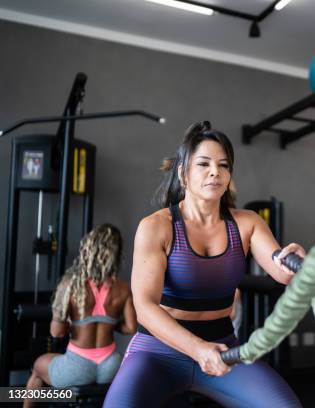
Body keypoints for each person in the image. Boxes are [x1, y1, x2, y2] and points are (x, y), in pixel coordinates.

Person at [103, 121, 303, 407]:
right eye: (204, 164)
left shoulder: (247, 223)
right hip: (158, 352)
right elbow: (144, 308)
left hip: (223, 349)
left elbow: (282, 273)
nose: (215, 172)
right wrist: (198, 349)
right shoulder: (157, 226)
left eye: (224, 165)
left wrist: (298, 261)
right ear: (183, 173)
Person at [25, 224, 137, 407]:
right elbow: (131, 327)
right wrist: (108, 323)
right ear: (116, 255)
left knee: (38, 366)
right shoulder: (123, 288)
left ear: (88, 249)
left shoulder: (70, 285)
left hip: (78, 366)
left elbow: (56, 332)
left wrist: (75, 324)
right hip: (111, 365)